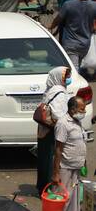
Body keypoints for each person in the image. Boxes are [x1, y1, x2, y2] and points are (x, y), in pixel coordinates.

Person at [52, 94, 88, 211]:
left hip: (75, 167)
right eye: (81, 109)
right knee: (60, 199)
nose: (83, 112)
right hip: (65, 167)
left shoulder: (76, 122)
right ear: (73, 109)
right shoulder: (63, 123)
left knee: (72, 200)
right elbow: (58, 149)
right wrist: (56, 172)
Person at [35, 64, 72, 194]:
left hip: (44, 130)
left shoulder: (50, 89)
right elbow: (58, 114)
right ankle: (50, 188)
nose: (68, 79)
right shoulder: (59, 92)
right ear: (58, 77)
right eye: (66, 76)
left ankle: (42, 187)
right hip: (53, 131)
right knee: (52, 159)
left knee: (44, 158)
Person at [51, 0, 96, 70]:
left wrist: (50, 27)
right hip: (85, 44)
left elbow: (58, 20)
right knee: (76, 66)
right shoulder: (94, 5)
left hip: (71, 44)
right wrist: (92, 28)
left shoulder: (68, 5)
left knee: (74, 70)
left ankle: (78, 83)